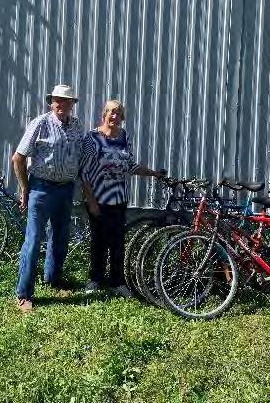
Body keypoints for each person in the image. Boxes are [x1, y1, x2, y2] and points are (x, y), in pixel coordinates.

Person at [80, 99, 164, 297]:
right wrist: (91, 201)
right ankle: (95, 280)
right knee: (98, 242)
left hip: (119, 200)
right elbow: (83, 172)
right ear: (104, 114)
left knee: (118, 243)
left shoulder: (124, 136)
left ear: (122, 117)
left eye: (118, 113)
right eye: (111, 112)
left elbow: (130, 165)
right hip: (98, 200)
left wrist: (153, 173)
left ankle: (117, 282)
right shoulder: (92, 138)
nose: (114, 116)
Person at [12, 84, 83, 313]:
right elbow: (18, 158)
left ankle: (53, 280)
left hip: (65, 189)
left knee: (60, 237)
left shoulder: (76, 125)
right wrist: (25, 189)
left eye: (65, 100)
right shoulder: (40, 123)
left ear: (72, 104)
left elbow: (79, 155)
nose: (60, 104)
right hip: (41, 189)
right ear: (51, 102)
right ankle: (24, 295)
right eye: (56, 100)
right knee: (33, 240)